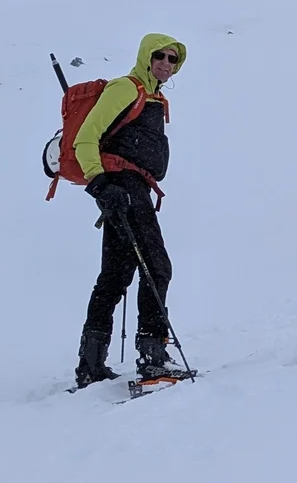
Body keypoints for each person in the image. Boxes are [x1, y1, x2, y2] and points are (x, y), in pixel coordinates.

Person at [73, 33, 188, 389]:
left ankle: (90, 365)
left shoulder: (154, 97)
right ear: (145, 56)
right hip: (123, 188)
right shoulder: (126, 88)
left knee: (115, 276)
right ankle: (153, 361)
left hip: (123, 190)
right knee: (157, 268)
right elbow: (85, 138)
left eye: (173, 58)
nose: (166, 63)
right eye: (159, 56)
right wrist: (100, 184)